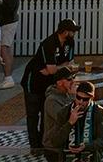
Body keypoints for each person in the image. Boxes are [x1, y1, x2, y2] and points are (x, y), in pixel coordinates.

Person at [21, 17, 78, 151]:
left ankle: (44, 142)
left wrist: (55, 68)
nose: (74, 34)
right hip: (33, 82)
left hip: (49, 81)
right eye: (72, 31)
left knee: (46, 112)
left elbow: (67, 65)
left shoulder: (70, 42)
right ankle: (35, 146)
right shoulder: (49, 43)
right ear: (64, 32)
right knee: (33, 114)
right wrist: (58, 67)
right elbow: (55, 68)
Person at [54, 78, 103, 159]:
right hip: (68, 157)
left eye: (85, 99)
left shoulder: (98, 112)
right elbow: (55, 141)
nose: (81, 101)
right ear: (75, 94)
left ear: (92, 98)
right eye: (78, 97)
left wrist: (86, 146)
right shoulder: (63, 112)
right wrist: (70, 123)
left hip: (90, 157)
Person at [39, 68, 78, 160]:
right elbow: (65, 118)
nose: (73, 81)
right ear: (59, 82)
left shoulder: (66, 94)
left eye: (73, 78)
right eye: (69, 79)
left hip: (66, 143)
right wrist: (73, 96)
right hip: (54, 147)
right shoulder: (51, 100)